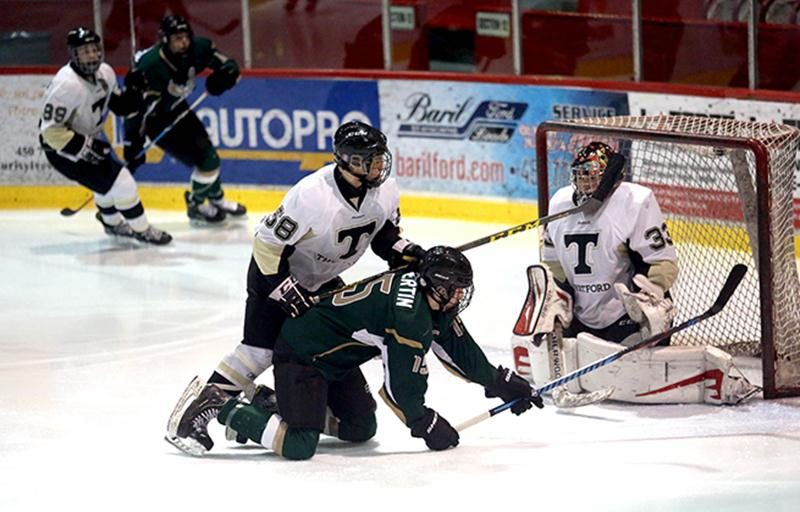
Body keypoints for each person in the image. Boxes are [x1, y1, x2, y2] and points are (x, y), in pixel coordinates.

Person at [166, 120, 434, 455]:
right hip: (276, 275)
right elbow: (266, 246)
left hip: (322, 281)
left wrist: (407, 252)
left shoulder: (386, 190)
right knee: (260, 350)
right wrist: (283, 289)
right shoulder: (311, 196)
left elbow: (383, 236)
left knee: (344, 393)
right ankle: (202, 406)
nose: (380, 165)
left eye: (381, 158)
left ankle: (271, 405)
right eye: (371, 160)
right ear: (349, 161)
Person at [177, 246, 542, 460]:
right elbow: (401, 384)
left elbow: (457, 346)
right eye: (455, 289)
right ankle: (218, 404)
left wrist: (498, 380)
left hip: (335, 361)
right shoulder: (409, 315)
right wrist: (423, 421)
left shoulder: (429, 300)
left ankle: (272, 406)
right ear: (435, 286)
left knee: (361, 428)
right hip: (302, 355)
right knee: (300, 444)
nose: (460, 296)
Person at [510, 141, 758, 405]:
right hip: (581, 315)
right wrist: (558, 297)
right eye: (580, 174)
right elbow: (553, 264)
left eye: (592, 174)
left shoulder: (635, 200)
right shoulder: (560, 202)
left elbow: (662, 261)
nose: (584, 182)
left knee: (633, 366)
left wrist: (653, 291)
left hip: (626, 315)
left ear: (610, 176)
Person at [39, 27, 171, 245]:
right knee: (123, 183)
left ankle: (112, 223)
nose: (92, 56)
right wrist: (86, 148)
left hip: (89, 136)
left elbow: (121, 107)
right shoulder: (66, 85)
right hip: (62, 149)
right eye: (85, 51)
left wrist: (135, 91)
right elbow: (51, 132)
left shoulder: (105, 73)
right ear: (73, 54)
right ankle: (142, 230)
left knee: (109, 182)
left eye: (94, 50)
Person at [123, 14, 245, 224]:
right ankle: (196, 204)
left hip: (180, 109)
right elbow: (135, 109)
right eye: (177, 39)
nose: (183, 43)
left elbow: (231, 65)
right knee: (208, 161)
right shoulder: (149, 67)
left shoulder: (197, 49)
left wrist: (225, 77)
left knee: (208, 156)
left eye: (186, 37)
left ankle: (215, 198)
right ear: (165, 40)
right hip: (157, 121)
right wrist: (132, 140)